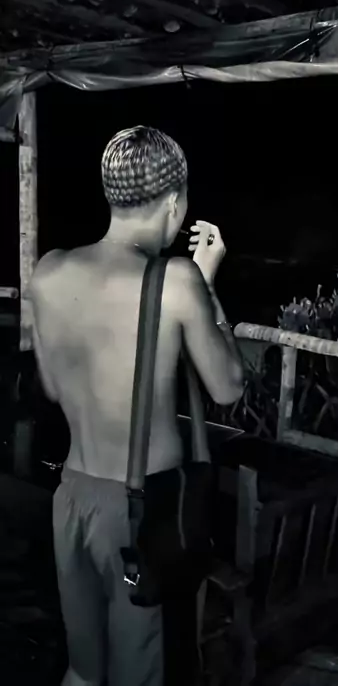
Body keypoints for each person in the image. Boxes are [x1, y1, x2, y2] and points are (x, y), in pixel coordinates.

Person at [28, 126, 245, 686]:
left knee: (82, 671)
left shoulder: (48, 271)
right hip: (141, 518)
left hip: (72, 498)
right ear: (173, 203)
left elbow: (51, 386)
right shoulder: (176, 281)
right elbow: (228, 387)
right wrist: (206, 282)